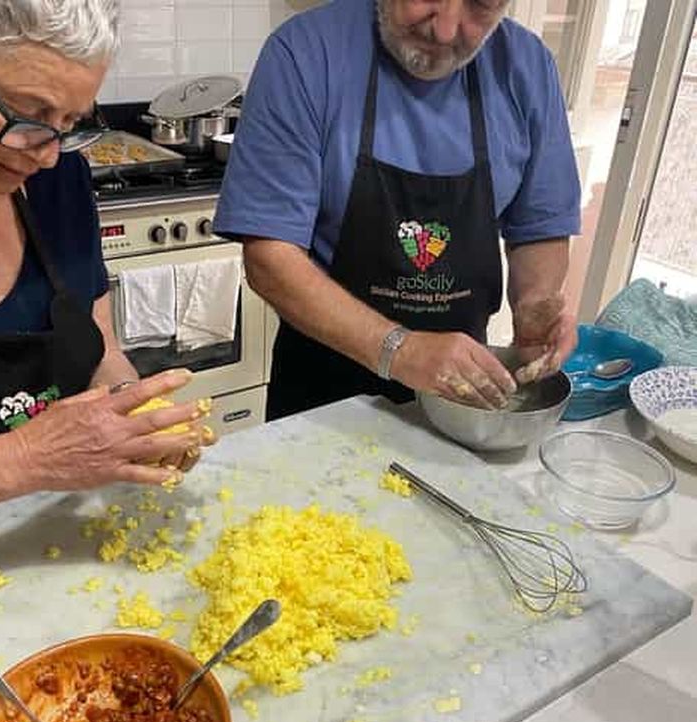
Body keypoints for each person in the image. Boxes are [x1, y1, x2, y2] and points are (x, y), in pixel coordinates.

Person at [0, 1, 214, 537]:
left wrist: (136, 418)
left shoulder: (60, 180)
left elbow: (100, 350)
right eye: (27, 113)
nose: (46, 155)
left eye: (70, 123)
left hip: (42, 546)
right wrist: (27, 459)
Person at [215, 0, 581, 420]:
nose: (446, 30)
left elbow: (540, 228)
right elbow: (269, 257)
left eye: (480, 5)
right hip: (322, 397)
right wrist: (400, 350)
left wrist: (535, 302)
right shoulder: (306, 52)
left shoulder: (527, 67)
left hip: (461, 400)